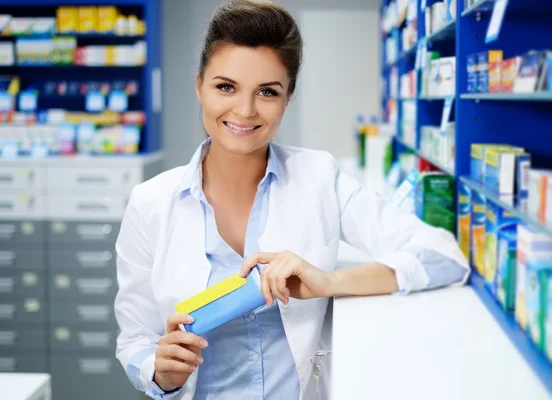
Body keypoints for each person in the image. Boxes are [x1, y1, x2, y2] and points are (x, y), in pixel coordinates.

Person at [114, 1, 469, 399]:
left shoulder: (318, 178)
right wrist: (161, 373)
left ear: (287, 98)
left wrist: (327, 282)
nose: (244, 110)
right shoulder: (150, 203)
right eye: (225, 87)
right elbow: (135, 341)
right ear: (199, 86)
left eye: (267, 91)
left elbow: (444, 256)